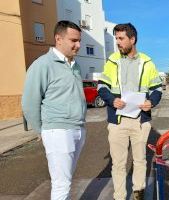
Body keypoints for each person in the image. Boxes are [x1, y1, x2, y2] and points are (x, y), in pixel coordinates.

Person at [22, 20, 86, 200]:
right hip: (58, 130)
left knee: (66, 179)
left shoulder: (75, 65)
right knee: (61, 184)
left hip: (77, 128)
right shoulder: (42, 64)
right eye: (74, 40)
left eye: (79, 40)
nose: (78, 45)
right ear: (58, 39)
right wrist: (41, 130)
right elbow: (29, 101)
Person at [98, 23, 162, 200]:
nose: (118, 42)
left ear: (132, 39)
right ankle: (119, 197)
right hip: (117, 121)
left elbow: (157, 89)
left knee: (140, 160)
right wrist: (112, 100)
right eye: (116, 38)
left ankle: (138, 193)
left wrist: (151, 102)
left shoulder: (147, 62)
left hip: (140, 121)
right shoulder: (112, 61)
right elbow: (102, 87)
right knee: (118, 163)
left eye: (121, 38)